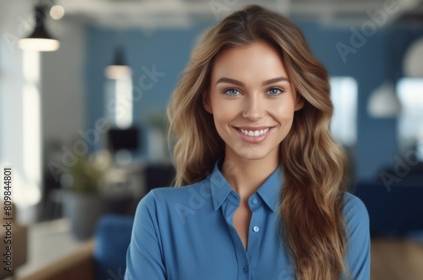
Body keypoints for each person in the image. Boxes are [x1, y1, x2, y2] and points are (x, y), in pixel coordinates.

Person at [125, 5, 370, 280]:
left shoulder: (345, 217)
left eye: (274, 90)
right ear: (208, 99)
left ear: (298, 98)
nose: (253, 112)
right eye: (232, 90)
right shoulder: (158, 215)